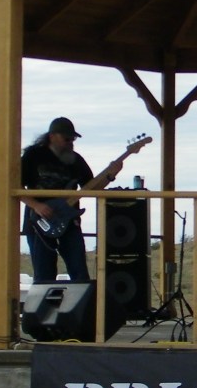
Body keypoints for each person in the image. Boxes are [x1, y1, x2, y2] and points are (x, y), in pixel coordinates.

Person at [21, 117, 123, 284]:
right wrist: (37, 205)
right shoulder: (33, 156)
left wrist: (111, 174)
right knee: (44, 275)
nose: (70, 143)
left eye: (73, 139)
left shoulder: (76, 160)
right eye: (66, 139)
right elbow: (14, 187)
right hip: (39, 221)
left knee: (80, 273)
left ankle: (82, 301)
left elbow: (91, 188)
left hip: (69, 221)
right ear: (52, 136)